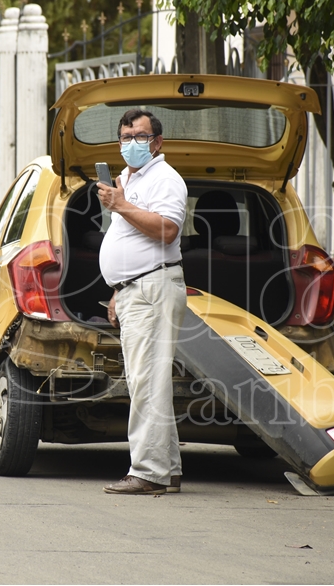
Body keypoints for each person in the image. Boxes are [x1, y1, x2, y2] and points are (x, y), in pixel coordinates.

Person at [96, 109, 187, 495]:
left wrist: (120, 205)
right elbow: (131, 242)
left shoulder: (166, 179)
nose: (132, 143)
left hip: (152, 290)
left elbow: (167, 230)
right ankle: (168, 468)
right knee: (147, 382)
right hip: (136, 289)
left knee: (147, 383)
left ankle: (148, 472)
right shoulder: (129, 179)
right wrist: (120, 288)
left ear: (158, 142)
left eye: (140, 136)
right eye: (126, 137)